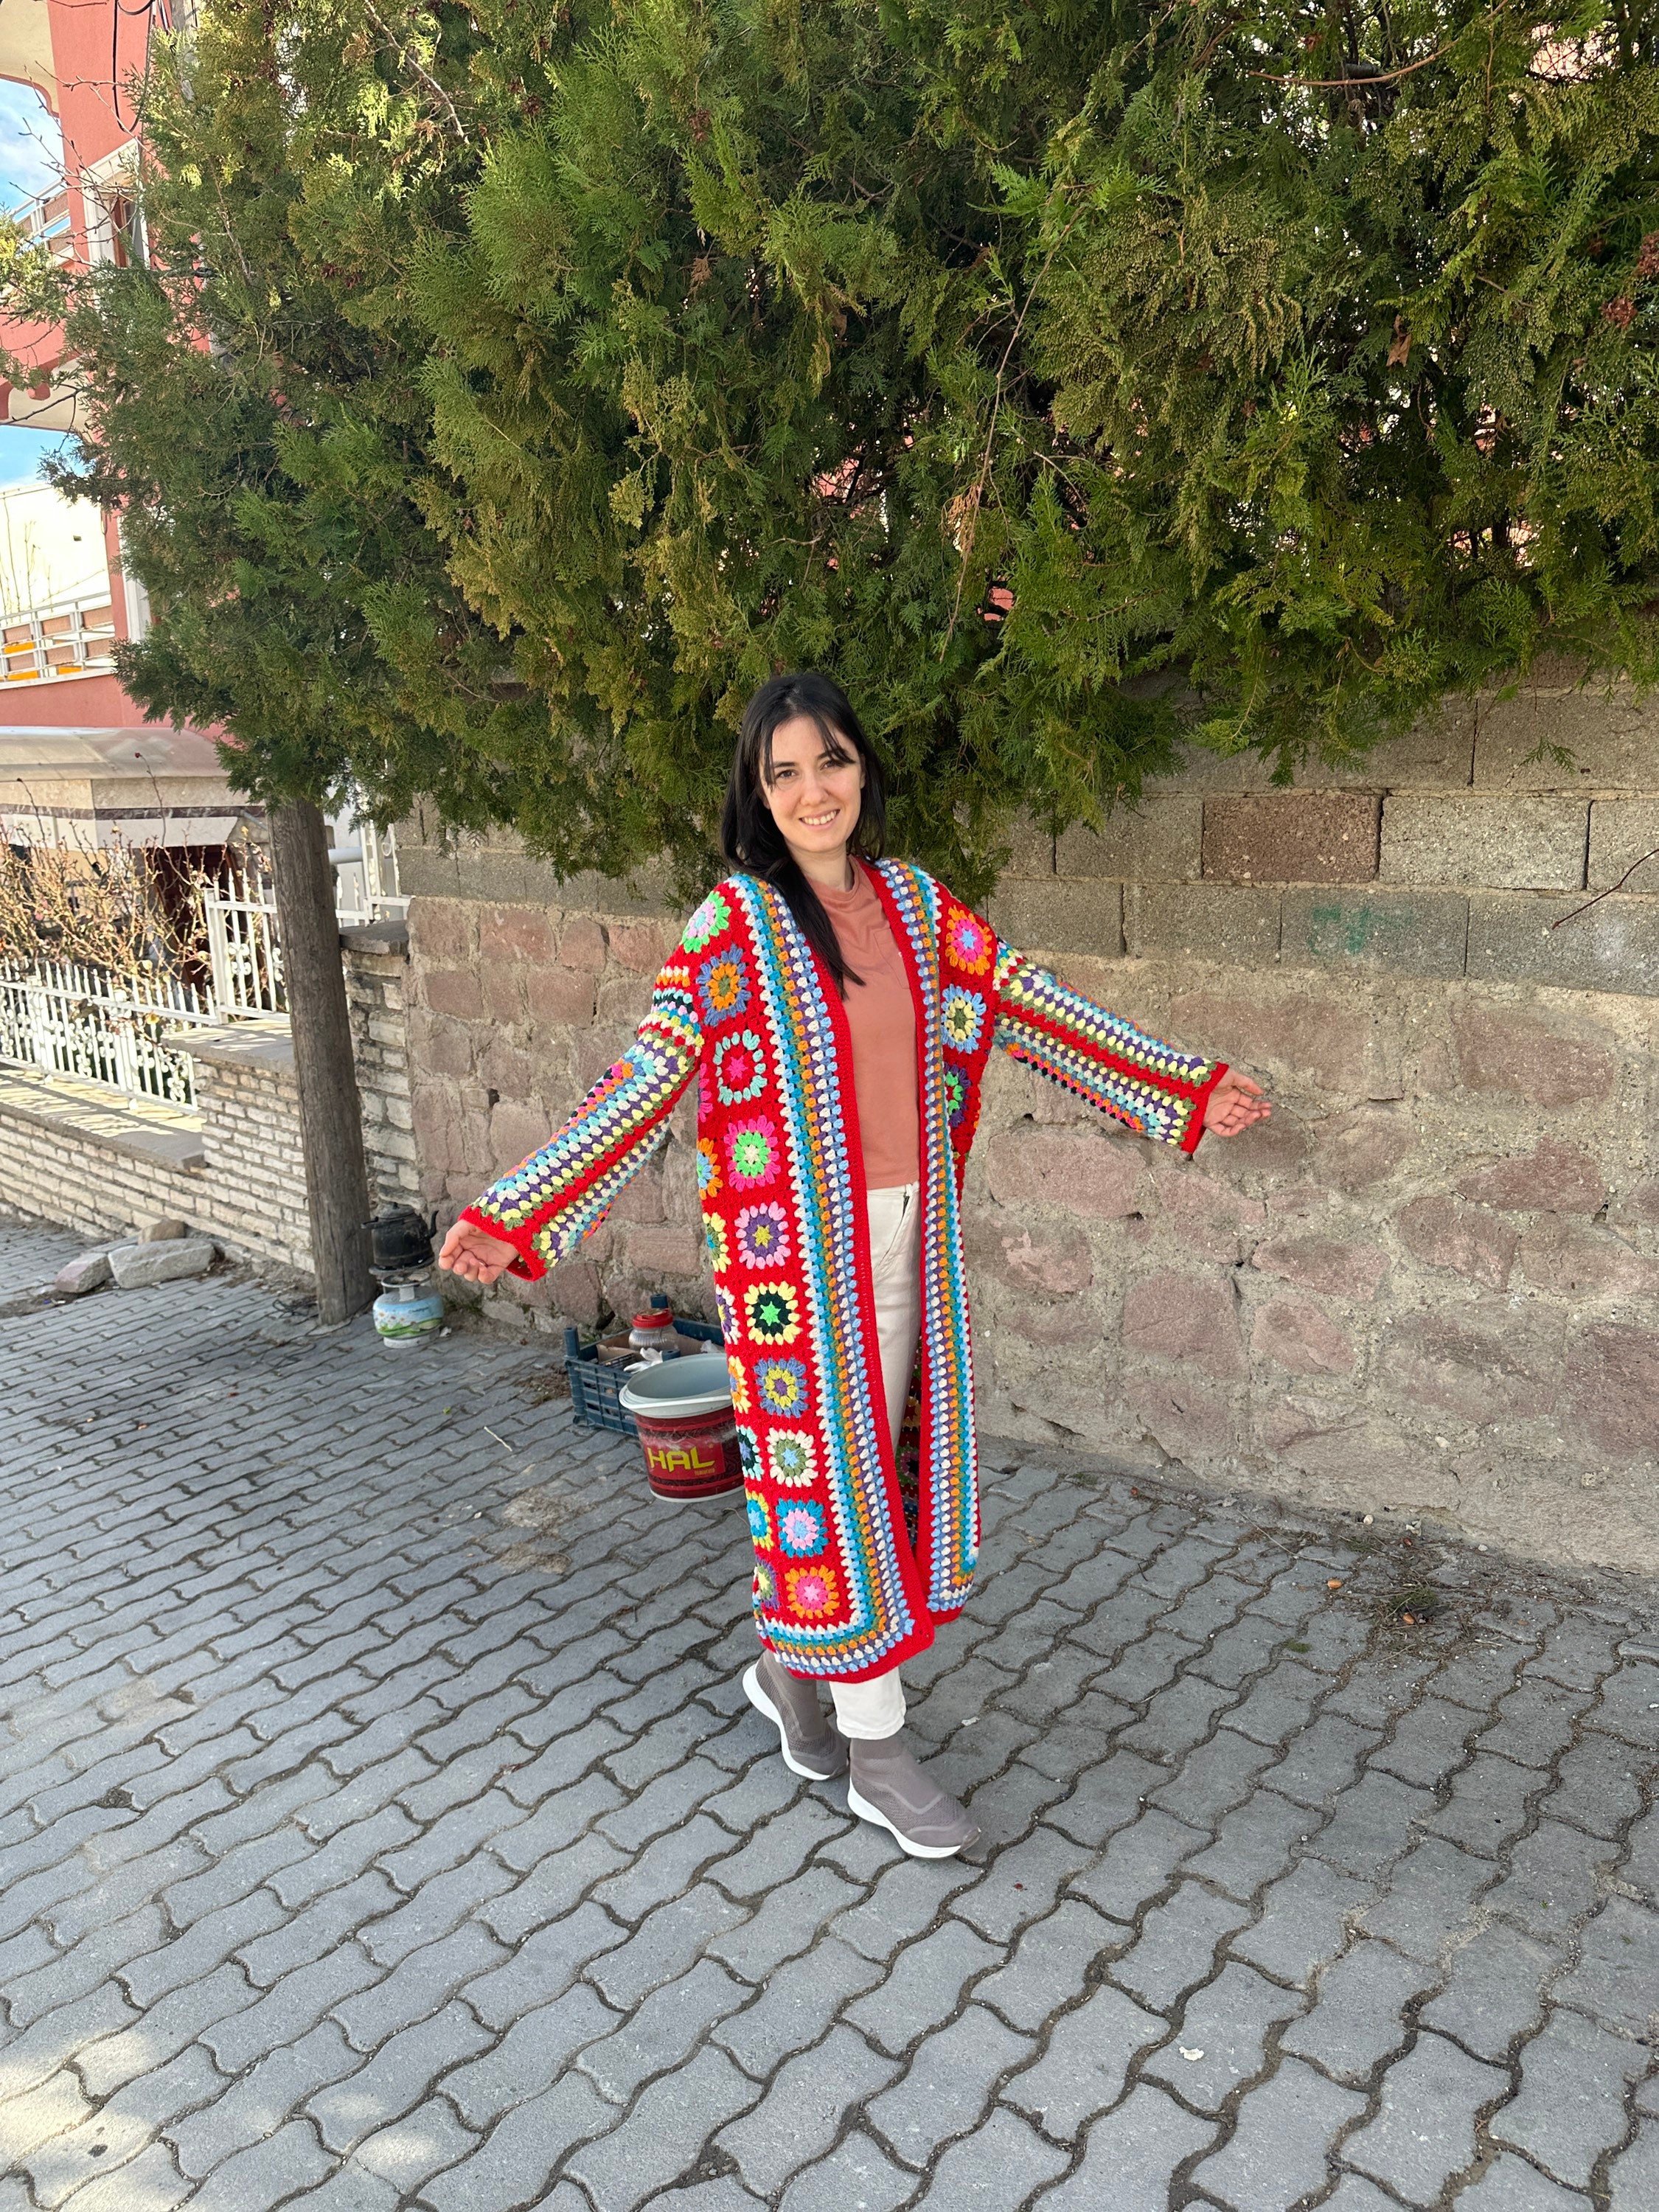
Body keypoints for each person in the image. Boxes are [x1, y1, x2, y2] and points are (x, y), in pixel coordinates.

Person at [439, 672, 1270, 1857]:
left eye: (828, 761)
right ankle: (877, 1754)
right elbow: (645, 1081)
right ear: (755, 795)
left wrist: (1186, 1088)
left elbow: (1035, 1007)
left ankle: (790, 1679)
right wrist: (519, 1213)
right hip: (792, 1272)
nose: (812, 789)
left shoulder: (919, 908)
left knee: (879, 1474)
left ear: (861, 769)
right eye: (783, 773)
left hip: (907, 1247)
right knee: (833, 1497)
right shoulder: (730, 926)